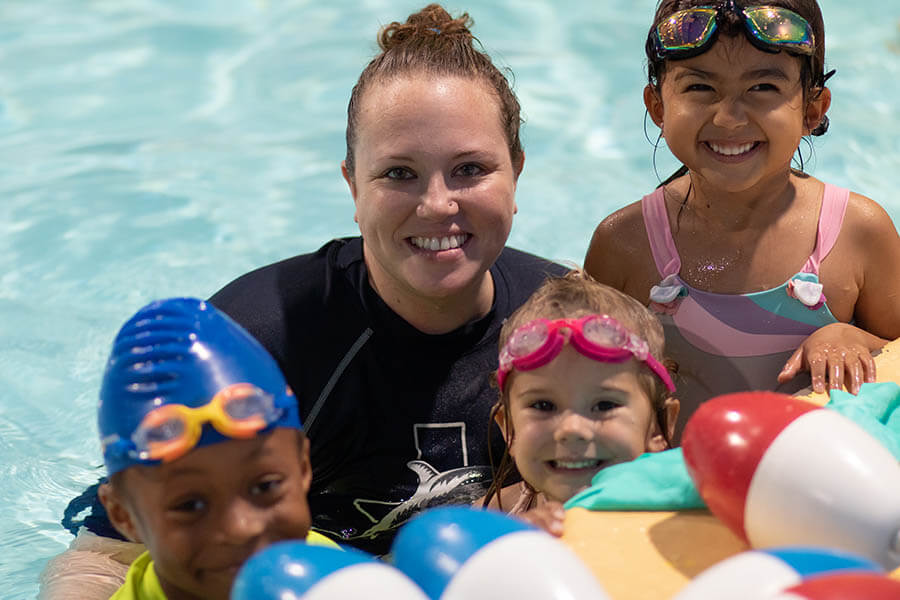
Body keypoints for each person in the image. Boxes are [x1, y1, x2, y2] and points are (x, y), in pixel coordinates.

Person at [45, 5, 567, 593]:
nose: (437, 204)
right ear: (352, 184)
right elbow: (102, 557)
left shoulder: (568, 324)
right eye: (399, 174)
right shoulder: (254, 343)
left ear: (516, 173)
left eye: (469, 169)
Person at [584, 0, 900, 437]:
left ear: (813, 109)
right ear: (658, 106)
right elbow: (578, 390)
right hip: (675, 501)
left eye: (763, 88)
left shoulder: (857, 232)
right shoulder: (625, 245)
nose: (729, 117)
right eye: (699, 88)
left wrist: (856, 339)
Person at [95, 298, 334, 599]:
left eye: (265, 486)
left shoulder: (335, 578)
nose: (240, 528)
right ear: (123, 516)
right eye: (190, 505)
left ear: (302, 466)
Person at [479, 272, 679, 535]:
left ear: (659, 424)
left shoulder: (680, 520)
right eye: (543, 406)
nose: (572, 428)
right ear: (509, 429)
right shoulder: (494, 521)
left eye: (605, 405)